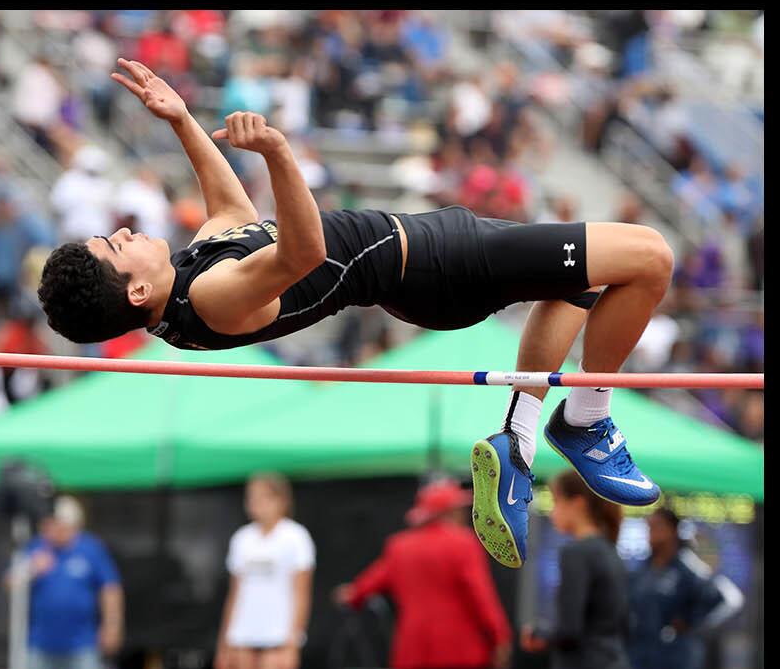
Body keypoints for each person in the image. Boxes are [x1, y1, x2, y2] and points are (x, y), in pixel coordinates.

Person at [37, 58, 675, 568]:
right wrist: (281, 153)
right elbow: (304, 249)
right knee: (651, 257)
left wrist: (180, 120)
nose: (122, 232)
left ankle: (521, 439)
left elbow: (232, 214)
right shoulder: (208, 298)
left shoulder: (190, 284)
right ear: (136, 294)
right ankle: (588, 418)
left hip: (428, 258)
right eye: (115, 247)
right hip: (438, 265)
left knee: (581, 280)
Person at [334, 478, 512, 669]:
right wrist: (500, 639)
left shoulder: (400, 547)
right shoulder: (463, 543)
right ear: (449, 512)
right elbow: (482, 597)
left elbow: (365, 586)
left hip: (417, 651)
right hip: (461, 651)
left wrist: (351, 594)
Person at [519, 470, 632, 669]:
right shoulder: (612, 552)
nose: (552, 512)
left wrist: (538, 635)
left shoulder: (576, 554)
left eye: (556, 501)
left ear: (578, 503)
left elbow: (570, 629)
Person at [214, 473, 315, 669]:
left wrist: (292, 645)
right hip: (243, 638)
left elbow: (301, 594)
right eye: (251, 498)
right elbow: (234, 596)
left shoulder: (295, 537)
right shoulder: (242, 539)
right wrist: (225, 645)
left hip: (278, 639)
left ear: (281, 500)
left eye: (263, 497)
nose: (256, 504)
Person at [627, 508, 744, 669]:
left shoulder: (688, 569)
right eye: (648, 528)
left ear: (673, 530)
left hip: (674, 667)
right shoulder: (643, 570)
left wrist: (691, 622)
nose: (651, 533)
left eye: (656, 527)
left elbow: (728, 598)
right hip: (641, 666)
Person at [19, 496, 125, 669]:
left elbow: (110, 589)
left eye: (61, 525)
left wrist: (112, 625)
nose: (55, 530)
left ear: (74, 525)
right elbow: (9, 583)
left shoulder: (91, 549)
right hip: (40, 642)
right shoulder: (37, 548)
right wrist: (30, 569)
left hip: (82, 642)